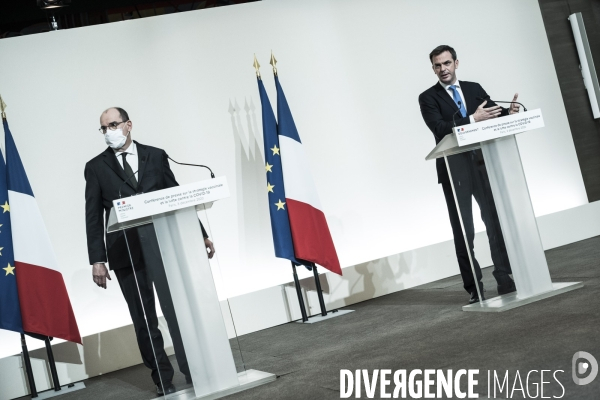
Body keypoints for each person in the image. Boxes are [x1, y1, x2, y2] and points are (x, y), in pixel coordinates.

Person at [84, 107, 215, 395]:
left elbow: (177, 195)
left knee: (176, 309)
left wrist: (200, 234)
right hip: (125, 253)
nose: (109, 132)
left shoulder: (155, 156)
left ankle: (193, 369)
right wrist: (97, 259)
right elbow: (93, 216)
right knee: (144, 318)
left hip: (164, 245)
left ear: (128, 125)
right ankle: (162, 379)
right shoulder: (95, 167)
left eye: (113, 125)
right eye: (104, 128)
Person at [418, 45, 519, 304]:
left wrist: (511, 114)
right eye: (438, 65)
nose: (443, 69)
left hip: (483, 164)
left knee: (494, 223)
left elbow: (494, 113)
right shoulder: (428, 97)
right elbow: (440, 128)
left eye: (447, 63)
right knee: (465, 231)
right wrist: (473, 120)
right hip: (454, 171)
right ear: (433, 68)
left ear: (456, 63)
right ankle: (474, 287)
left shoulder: (474, 88)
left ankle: (505, 278)